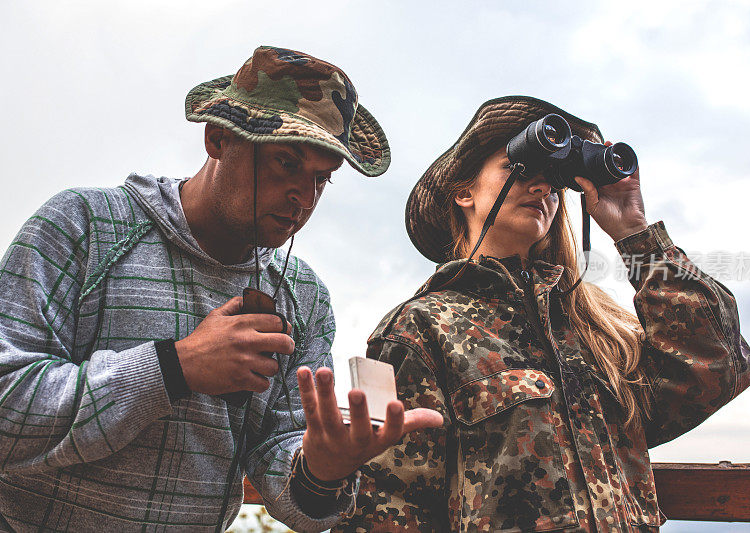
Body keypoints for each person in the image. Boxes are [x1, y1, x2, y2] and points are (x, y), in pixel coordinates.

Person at [0, 46, 441, 532]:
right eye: (285, 162)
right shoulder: (83, 226)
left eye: (322, 179)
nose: (303, 196)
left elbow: (286, 473)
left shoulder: (304, 295)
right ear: (217, 138)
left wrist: (323, 470)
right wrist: (174, 366)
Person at [335, 96, 750, 532]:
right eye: (517, 168)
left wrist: (634, 234)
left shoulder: (593, 328)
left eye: (553, 182)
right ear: (463, 192)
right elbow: (389, 503)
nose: (541, 189)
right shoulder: (420, 328)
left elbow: (719, 368)